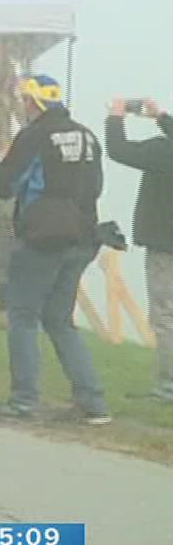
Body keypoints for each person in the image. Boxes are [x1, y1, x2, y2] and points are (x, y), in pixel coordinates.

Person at [0, 75, 109, 425]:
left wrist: (5, 160)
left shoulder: (34, 136)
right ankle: (93, 402)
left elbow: (3, 185)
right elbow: (96, 187)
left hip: (42, 239)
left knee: (23, 317)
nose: (23, 106)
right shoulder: (88, 136)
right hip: (83, 238)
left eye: (25, 101)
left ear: (33, 104)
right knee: (59, 320)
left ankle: (23, 400)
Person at [106, 97, 173, 403]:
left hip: (165, 245)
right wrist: (160, 116)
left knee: (165, 315)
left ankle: (167, 387)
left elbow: (118, 150)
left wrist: (116, 116)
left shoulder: (163, 151)